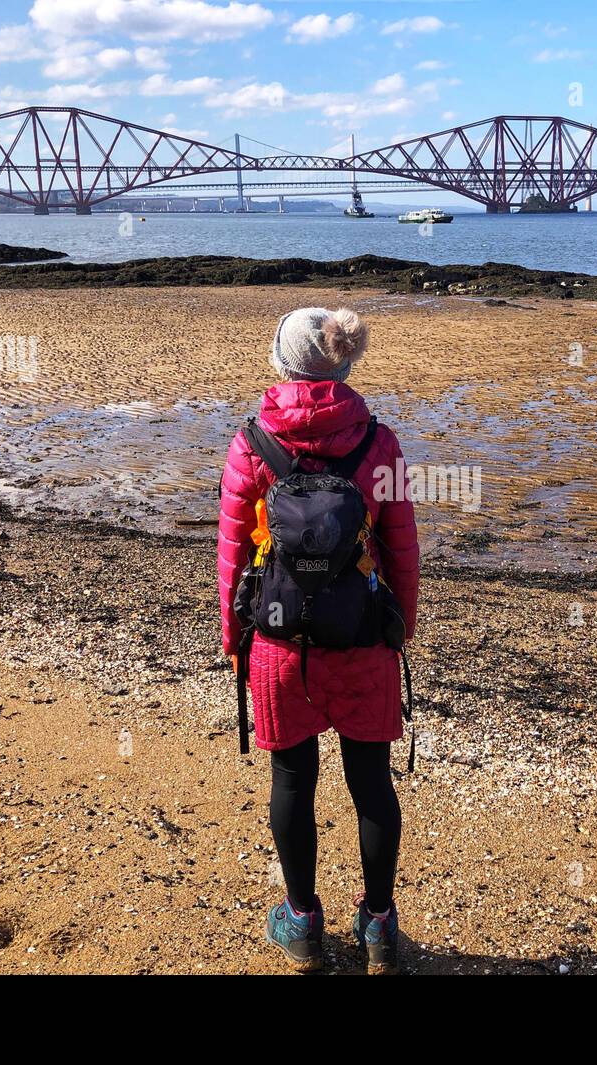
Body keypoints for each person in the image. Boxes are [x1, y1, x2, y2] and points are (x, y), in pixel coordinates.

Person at [217, 307, 419, 974]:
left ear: (281, 365)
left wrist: (232, 633)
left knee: (292, 780)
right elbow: (401, 547)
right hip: (362, 638)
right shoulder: (379, 442)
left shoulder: (251, 443)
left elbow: (231, 550)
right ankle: (380, 927)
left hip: (281, 645)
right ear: (344, 363)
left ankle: (302, 921)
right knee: (371, 782)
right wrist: (401, 626)